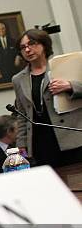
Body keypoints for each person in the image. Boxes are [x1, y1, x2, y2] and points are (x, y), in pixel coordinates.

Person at [13, 28, 82, 167]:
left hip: (72, 135)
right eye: (23, 47)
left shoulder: (63, 66)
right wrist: (21, 145)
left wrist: (70, 86)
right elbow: (22, 115)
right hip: (40, 141)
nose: (27, 50)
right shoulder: (18, 79)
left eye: (31, 44)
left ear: (44, 45)